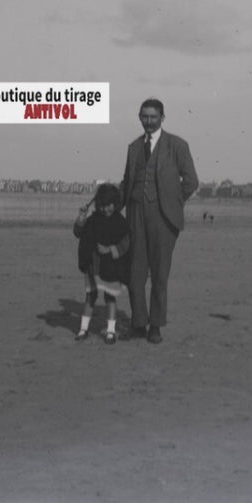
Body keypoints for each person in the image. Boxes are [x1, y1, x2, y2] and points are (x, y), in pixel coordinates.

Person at [120, 98, 198, 344]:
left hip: (164, 218)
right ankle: (138, 324)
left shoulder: (177, 146)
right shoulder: (133, 147)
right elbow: (126, 183)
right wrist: (108, 208)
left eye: (153, 117)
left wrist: (172, 204)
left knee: (160, 275)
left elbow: (192, 182)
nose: (149, 121)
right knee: (135, 275)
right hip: (134, 215)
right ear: (139, 117)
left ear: (162, 118)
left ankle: (155, 326)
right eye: (144, 116)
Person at [73, 183, 131, 344]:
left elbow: (126, 243)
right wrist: (81, 218)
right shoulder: (92, 220)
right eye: (103, 206)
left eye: (109, 206)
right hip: (94, 266)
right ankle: (83, 329)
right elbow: (78, 233)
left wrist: (110, 249)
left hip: (112, 267)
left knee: (110, 297)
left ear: (115, 204)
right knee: (90, 297)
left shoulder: (120, 222)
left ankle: (111, 331)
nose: (106, 209)